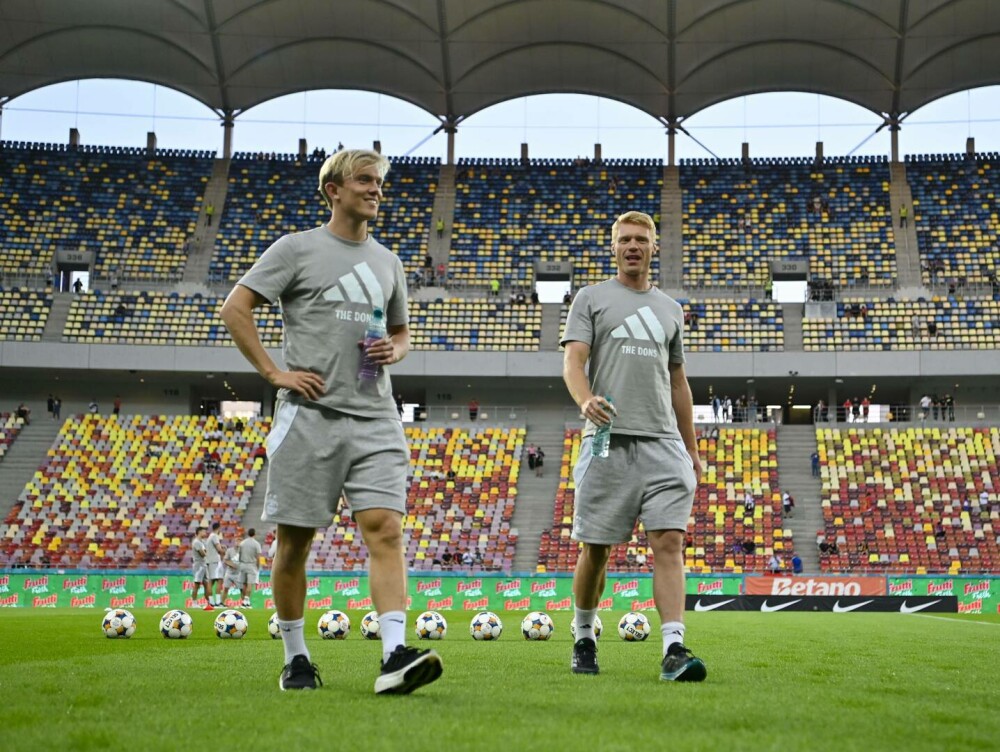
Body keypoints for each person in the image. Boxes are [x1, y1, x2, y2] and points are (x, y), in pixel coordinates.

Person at [220, 148, 441, 694]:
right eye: (364, 180)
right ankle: (296, 657)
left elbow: (401, 332)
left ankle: (394, 655)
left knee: (386, 530)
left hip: (375, 415)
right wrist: (275, 373)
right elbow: (235, 308)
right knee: (294, 544)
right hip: (309, 417)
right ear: (333, 190)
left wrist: (396, 349)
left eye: (380, 182)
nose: (376, 190)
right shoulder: (296, 249)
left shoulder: (389, 262)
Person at [561, 210, 705, 682]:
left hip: (663, 443)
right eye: (625, 239)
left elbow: (678, 382)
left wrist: (692, 448)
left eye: (641, 239)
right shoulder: (592, 298)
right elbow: (573, 362)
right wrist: (585, 402)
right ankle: (584, 635)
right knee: (596, 551)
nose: (633, 246)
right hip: (607, 440)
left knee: (669, 542)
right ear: (614, 247)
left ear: (653, 247)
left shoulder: (670, 309)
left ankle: (674, 649)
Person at [238, 528, 262, 608]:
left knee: (244, 584)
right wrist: (258, 566)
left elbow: (239, 554)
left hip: (243, 564)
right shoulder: (256, 544)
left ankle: (243, 601)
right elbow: (258, 557)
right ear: (254, 534)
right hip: (251, 565)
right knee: (249, 584)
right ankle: (246, 601)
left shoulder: (242, 543)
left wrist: (240, 563)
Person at [191, 527, 211, 609]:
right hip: (198, 565)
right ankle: (194, 603)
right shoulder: (196, 542)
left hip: (204, 564)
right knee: (197, 585)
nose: (205, 533)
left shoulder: (203, 542)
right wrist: (206, 552)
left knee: (206, 584)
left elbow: (206, 551)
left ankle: (209, 603)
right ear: (199, 532)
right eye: (204, 531)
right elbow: (203, 554)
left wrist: (206, 552)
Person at [206, 522, 225, 607]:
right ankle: (217, 602)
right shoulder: (214, 536)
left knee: (211, 581)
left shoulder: (210, 537)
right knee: (219, 580)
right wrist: (224, 552)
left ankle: (211, 602)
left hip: (210, 561)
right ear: (219, 528)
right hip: (215, 561)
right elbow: (219, 549)